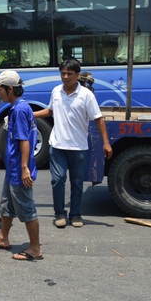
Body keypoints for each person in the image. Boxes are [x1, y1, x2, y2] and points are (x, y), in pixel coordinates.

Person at [33, 58, 113, 228]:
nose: (66, 77)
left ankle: (75, 214)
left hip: (79, 147)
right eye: (63, 73)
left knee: (77, 182)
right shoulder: (56, 91)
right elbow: (50, 111)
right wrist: (30, 114)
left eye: (70, 74)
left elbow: (98, 119)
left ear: (77, 75)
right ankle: (59, 214)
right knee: (58, 179)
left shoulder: (86, 95)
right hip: (57, 145)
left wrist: (106, 143)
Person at [0, 70, 42, 261]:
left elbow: (24, 140)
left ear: (9, 89)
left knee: (27, 209)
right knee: (6, 206)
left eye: (0, 89)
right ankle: (3, 238)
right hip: (13, 168)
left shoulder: (19, 110)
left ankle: (35, 249)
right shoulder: (20, 108)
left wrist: (24, 168)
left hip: (19, 170)